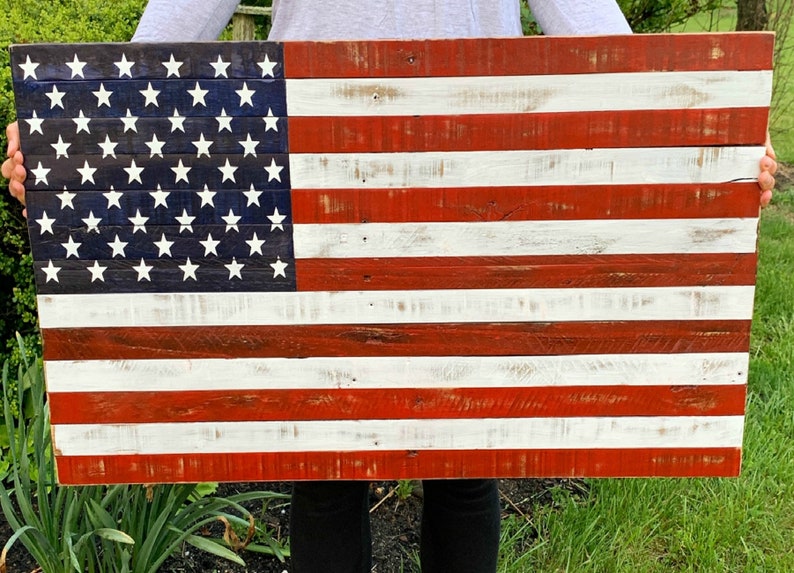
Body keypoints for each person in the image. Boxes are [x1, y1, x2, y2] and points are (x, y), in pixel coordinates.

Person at [1, 2, 779, 572]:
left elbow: (592, 25)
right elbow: (179, 19)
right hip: (308, 158)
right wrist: (65, 117)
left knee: (469, 454)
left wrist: (712, 123)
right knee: (322, 460)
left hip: (478, 167)